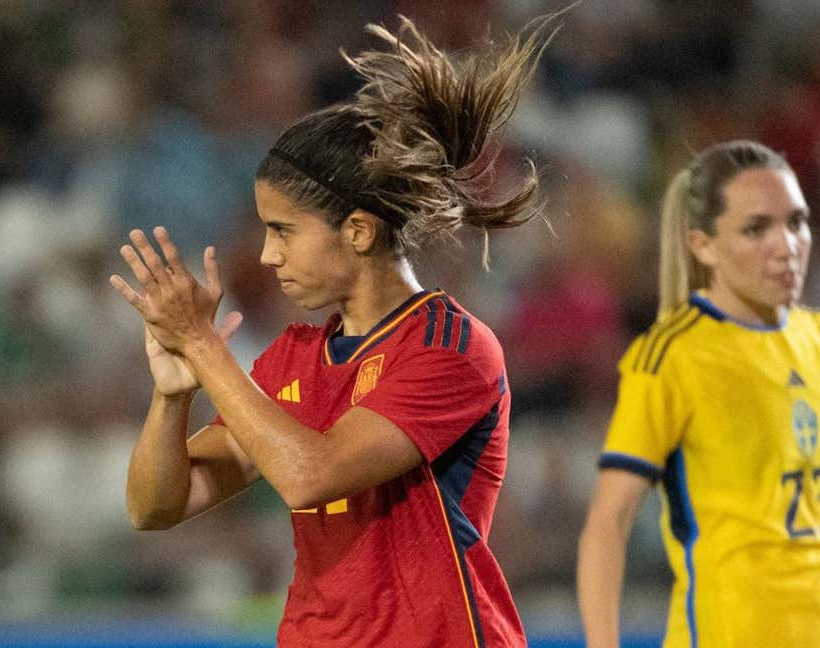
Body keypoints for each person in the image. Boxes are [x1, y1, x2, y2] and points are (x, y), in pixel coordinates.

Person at [109, 15, 558, 648]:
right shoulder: (291, 358)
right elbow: (154, 509)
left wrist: (208, 347)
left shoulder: (451, 347)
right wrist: (173, 393)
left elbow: (309, 476)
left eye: (283, 230)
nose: (266, 257)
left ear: (357, 230)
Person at [576, 140, 820, 647]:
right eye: (756, 228)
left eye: (797, 221)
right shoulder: (672, 357)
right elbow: (609, 520)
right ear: (702, 245)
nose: (786, 245)